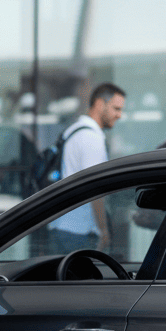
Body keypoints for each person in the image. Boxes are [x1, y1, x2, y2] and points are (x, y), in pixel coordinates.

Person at [47, 83, 125, 253]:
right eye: (116, 109)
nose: (119, 115)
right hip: (79, 231)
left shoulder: (73, 131)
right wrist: (104, 231)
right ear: (99, 104)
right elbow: (94, 187)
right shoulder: (91, 138)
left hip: (62, 225)